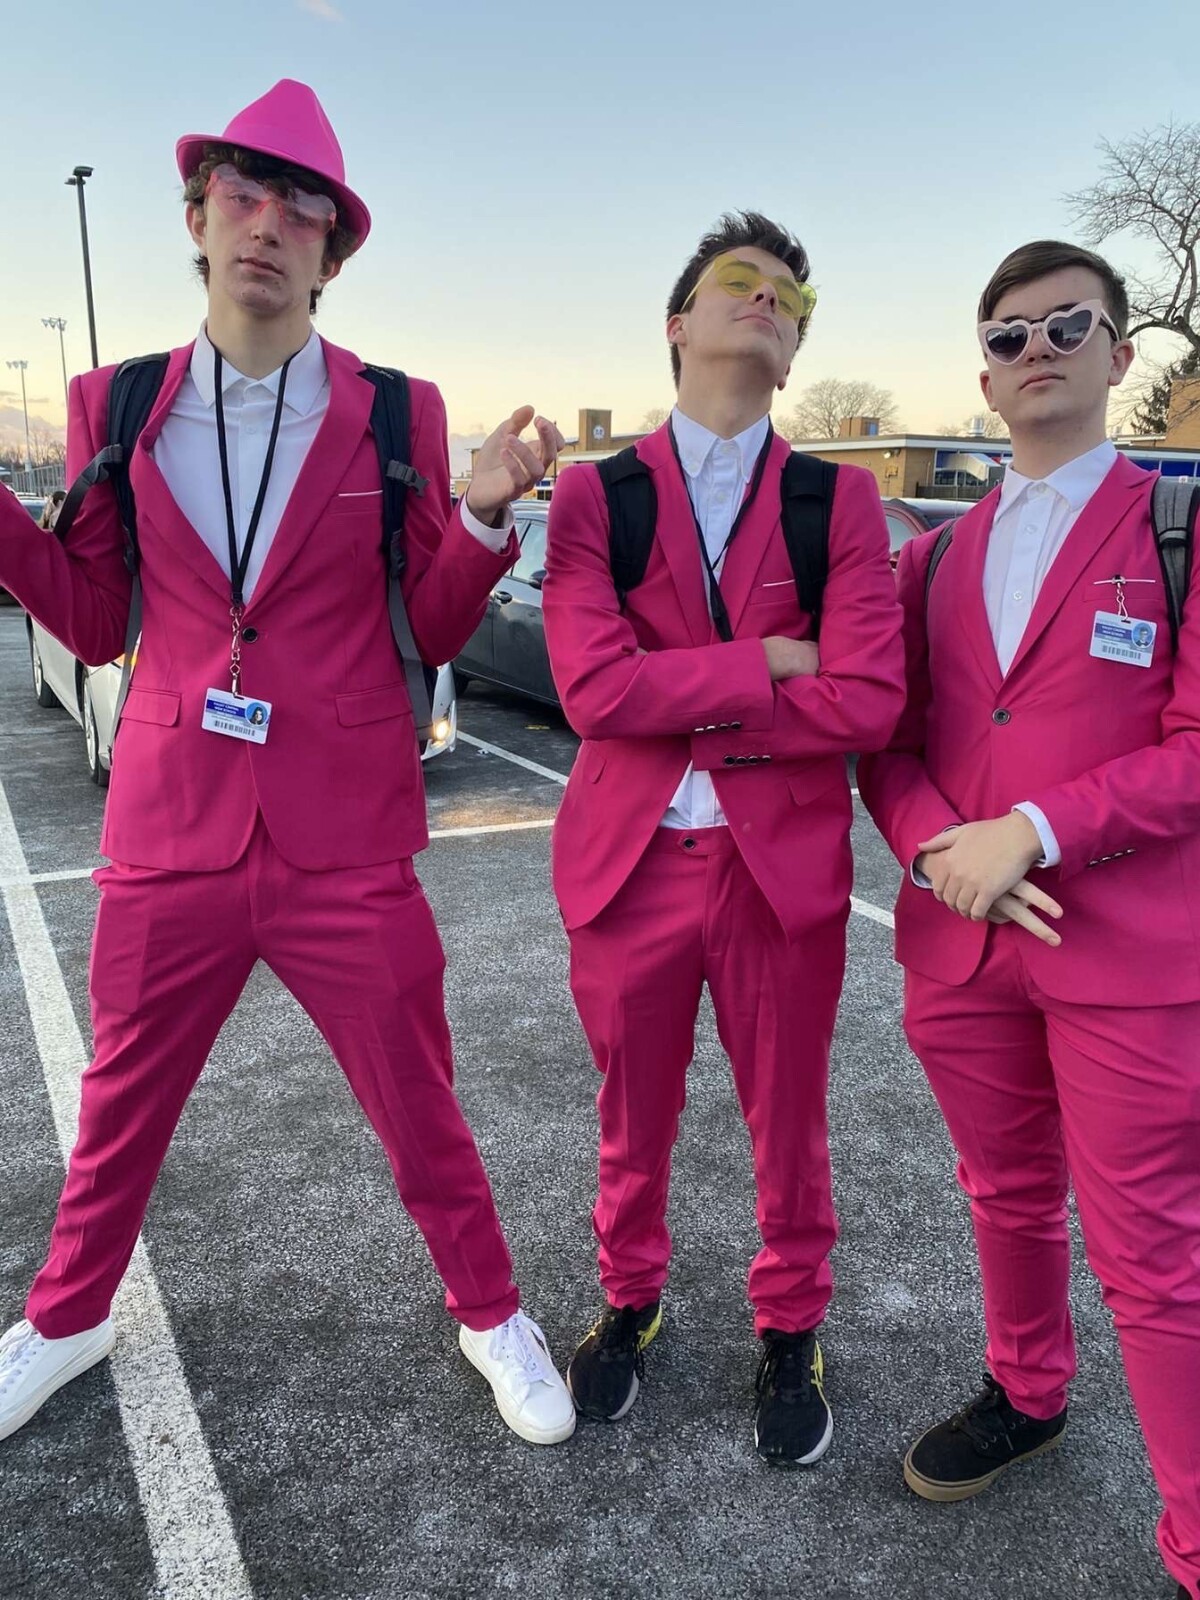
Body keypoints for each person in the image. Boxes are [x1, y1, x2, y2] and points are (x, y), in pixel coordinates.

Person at [0, 79, 575, 1450]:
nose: (266, 224)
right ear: (198, 220)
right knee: (119, 1102)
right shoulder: (114, 403)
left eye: (300, 208)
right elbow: (97, 617)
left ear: (333, 251)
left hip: (346, 832)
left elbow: (433, 623)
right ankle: (69, 1314)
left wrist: (483, 521)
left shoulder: (396, 413)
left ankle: (491, 1310)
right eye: (241, 196)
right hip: (170, 823)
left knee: (419, 1098)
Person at [858, 239, 1200, 1600]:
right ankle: (1027, 1390)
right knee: (1003, 1192)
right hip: (963, 947)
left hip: (1127, 957)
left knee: (1152, 1252)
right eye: (1009, 335)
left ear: (1120, 353)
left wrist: (1040, 830)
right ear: (987, 378)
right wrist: (940, 849)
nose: (1037, 349)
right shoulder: (934, 557)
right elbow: (888, 746)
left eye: (1069, 324)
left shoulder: (1179, 528)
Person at [542, 212, 905, 1462]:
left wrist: (683, 689)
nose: (767, 299)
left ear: (794, 352)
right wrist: (769, 660)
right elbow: (592, 692)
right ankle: (630, 1298)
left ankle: (792, 1324)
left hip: (777, 871)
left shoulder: (838, 500)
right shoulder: (594, 494)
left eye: (790, 297)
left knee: (788, 1120)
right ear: (678, 323)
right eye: (739, 281)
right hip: (630, 864)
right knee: (630, 1112)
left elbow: (870, 699)